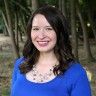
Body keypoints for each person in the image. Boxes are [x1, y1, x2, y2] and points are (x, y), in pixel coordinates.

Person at [10, 5, 91, 96]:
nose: (41, 36)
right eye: (36, 29)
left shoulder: (76, 73)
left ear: (60, 33)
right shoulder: (20, 65)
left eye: (48, 29)